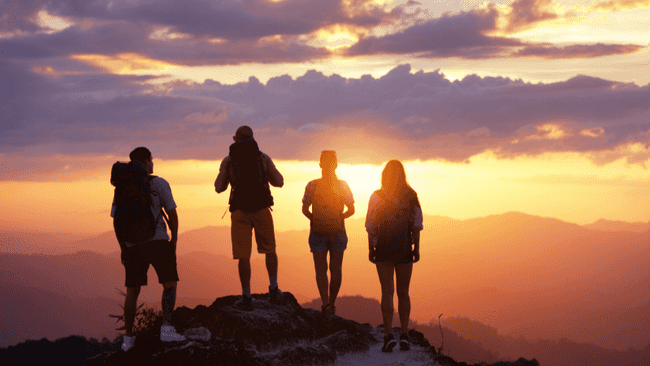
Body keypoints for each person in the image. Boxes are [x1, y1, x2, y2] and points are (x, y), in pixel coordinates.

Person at [111, 147, 185, 352]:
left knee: (132, 292)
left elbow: (116, 221)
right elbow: (173, 214)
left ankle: (128, 339)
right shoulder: (159, 183)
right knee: (169, 284)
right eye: (151, 160)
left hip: (132, 246)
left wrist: (123, 248)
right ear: (146, 161)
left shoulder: (122, 187)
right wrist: (174, 241)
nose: (153, 163)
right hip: (158, 241)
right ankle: (167, 328)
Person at [215, 126, 284, 310]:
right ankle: (274, 290)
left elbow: (219, 187)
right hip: (262, 210)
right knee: (270, 250)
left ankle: (246, 297)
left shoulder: (228, 161)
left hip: (239, 213)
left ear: (235, 139)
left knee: (243, 256)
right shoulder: (262, 157)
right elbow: (279, 182)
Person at [365, 160, 423, 352]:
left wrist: (371, 248)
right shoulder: (411, 196)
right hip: (404, 249)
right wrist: (416, 249)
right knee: (403, 293)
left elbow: (370, 226)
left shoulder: (376, 197)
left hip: (383, 250)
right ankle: (405, 335)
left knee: (387, 292)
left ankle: (388, 336)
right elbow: (416, 225)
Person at [302, 151, 355, 315]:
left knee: (320, 269)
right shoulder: (343, 185)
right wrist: (340, 218)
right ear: (336, 165)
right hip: (338, 231)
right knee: (336, 268)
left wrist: (315, 219)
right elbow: (351, 210)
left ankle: (325, 304)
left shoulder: (312, 185)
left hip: (317, 232)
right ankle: (332, 304)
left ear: (320, 165)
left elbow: (304, 209)